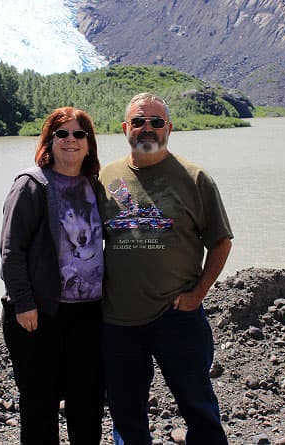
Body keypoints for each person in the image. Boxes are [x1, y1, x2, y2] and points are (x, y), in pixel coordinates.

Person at [98, 93, 233, 445]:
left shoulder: (194, 177)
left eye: (156, 122)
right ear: (125, 128)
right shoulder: (107, 177)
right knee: (126, 415)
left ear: (169, 128)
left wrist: (197, 294)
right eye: (139, 122)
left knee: (199, 408)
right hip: (118, 321)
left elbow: (220, 242)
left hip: (177, 318)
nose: (148, 129)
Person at [0, 107, 106, 444]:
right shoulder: (31, 185)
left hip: (89, 315)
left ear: (89, 144)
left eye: (79, 134)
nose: (70, 141)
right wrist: (23, 302)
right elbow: (11, 250)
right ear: (49, 141)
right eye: (62, 134)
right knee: (39, 405)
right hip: (42, 313)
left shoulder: (94, 186)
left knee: (87, 403)